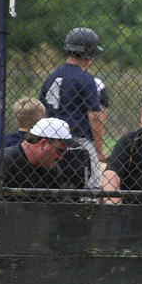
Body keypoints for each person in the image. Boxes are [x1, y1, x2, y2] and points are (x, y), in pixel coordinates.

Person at [39, 27, 107, 191]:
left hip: (51, 142)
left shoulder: (52, 76)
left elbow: (41, 110)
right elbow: (95, 117)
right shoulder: (85, 78)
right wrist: (99, 151)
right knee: (90, 191)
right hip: (79, 142)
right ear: (89, 54)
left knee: (55, 187)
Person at [0, 117, 78, 202]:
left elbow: (59, 208)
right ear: (43, 143)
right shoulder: (3, 162)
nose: (61, 158)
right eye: (59, 151)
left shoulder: (53, 170)